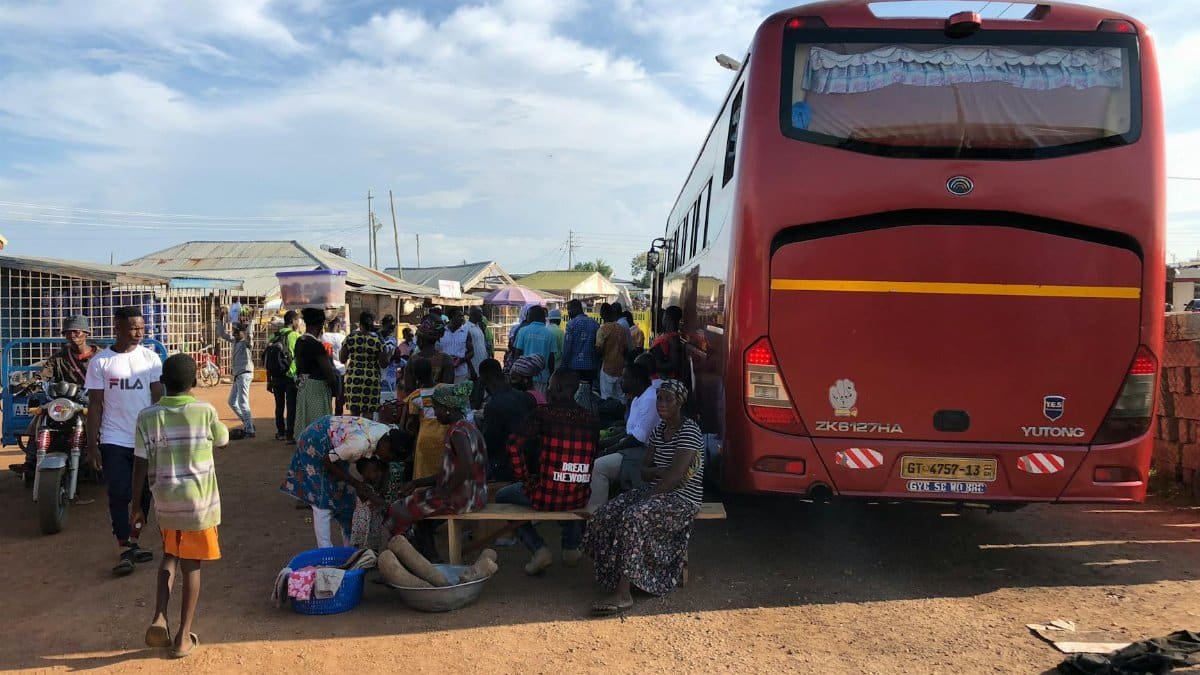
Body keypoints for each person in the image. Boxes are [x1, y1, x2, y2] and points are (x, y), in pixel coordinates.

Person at [130, 354, 229, 658]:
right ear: (195, 382)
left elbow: (139, 462)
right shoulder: (204, 410)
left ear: (162, 382)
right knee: (192, 567)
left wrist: (137, 506)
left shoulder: (147, 416)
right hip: (198, 504)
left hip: (165, 501)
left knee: (170, 556)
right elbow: (222, 440)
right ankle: (183, 637)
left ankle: (160, 615)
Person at [584, 379, 704, 615]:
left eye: (668, 399)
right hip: (659, 491)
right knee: (606, 513)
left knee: (633, 516)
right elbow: (645, 470)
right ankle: (615, 578)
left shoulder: (689, 431)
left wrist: (651, 492)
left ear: (679, 402)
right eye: (659, 398)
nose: (661, 403)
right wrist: (661, 473)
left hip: (682, 499)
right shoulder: (660, 430)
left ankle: (624, 593)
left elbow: (676, 478)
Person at [85, 306, 164, 576]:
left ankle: (134, 540)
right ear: (116, 327)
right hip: (113, 438)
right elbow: (95, 405)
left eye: (142, 327)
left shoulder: (151, 359)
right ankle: (123, 546)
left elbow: (159, 397)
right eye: (133, 327)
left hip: (145, 439)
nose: (139, 332)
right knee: (119, 492)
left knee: (142, 495)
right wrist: (92, 445)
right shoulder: (100, 362)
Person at [499, 369, 599, 574]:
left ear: (559, 388)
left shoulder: (543, 413)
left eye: (550, 387)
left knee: (503, 496)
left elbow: (512, 445)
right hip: (579, 496)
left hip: (546, 496)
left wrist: (524, 478)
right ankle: (571, 547)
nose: (547, 391)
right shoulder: (591, 419)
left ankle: (538, 549)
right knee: (569, 485)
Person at [280, 416, 403, 548]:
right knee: (322, 501)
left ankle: (350, 549)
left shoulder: (386, 433)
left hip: (336, 445)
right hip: (315, 442)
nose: (387, 459)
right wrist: (356, 484)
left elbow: (361, 464)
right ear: (386, 445)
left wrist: (369, 491)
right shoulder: (358, 445)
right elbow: (327, 461)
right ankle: (325, 552)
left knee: (345, 498)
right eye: (388, 457)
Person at [385, 382, 487, 536]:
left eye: (436, 408)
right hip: (475, 495)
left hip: (462, 499)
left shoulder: (457, 432)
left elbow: (466, 466)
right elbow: (453, 472)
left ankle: (409, 551)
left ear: (448, 409)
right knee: (418, 510)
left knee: (397, 510)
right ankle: (427, 553)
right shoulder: (469, 428)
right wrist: (417, 482)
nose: (435, 413)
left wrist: (444, 492)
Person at [11, 315, 97, 474]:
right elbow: (45, 374)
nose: (72, 336)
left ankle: (102, 459)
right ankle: (30, 462)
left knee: (105, 426)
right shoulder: (58, 358)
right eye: (68, 333)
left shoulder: (100, 357)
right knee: (40, 416)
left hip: (92, 401)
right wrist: (31, 383)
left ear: (86, 333)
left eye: (77, 332)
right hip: (66, 402)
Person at [588, 363, 661, 511]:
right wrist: (601, 444)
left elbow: (637, 439)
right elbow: (628, 433)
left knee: (598, 467)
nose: (621, 382)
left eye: (625, 378)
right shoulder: (637, 399)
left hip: (645, 453)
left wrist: (608, 450)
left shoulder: (650, 399)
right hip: (632, 448)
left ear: (636, 380)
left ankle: (596, 516)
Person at [477, 359, 536, 480]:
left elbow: (489, 444)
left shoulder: (494, 405)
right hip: (529, 462)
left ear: (484, 379)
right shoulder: (527, 397)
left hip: (506, 467)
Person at [294, 307, 339, 437]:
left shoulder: (300, 341)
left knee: (306, 420)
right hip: (317, 388)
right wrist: (334, 385)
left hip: (304, 387)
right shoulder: (316, 345)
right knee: (319, 423)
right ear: (320, 325)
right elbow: (328, 371)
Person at [402, 358, 447, 481]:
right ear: (432, 371)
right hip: (445, 435)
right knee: (443, 469)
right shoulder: (444, 389)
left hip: (425, 437)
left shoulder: (415, 396)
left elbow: (414, 422)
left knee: (424, 473)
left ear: (416, 376)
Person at [340, 312, 387, 418]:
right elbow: (384, 364)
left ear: (359, 324)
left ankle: (354, 434)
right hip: (372, 379)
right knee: (368, 414)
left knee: (354, 415)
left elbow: (342, 359)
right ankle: (367, 434)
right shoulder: (377, 341)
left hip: (354, 379)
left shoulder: (350, 338)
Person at [216, 311, 255, 438]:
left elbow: (249, 334)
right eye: (234, 331)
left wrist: (252, 320)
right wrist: (220, 318)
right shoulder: (235, 341)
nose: (234, 333)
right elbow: (222, 334)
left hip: (244, 374)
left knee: (243, 402)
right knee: (232, 402)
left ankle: (250, 429)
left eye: (236, 331)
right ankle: (247, 422)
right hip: (238, 375)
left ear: (242, 332)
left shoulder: (247, 343)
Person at [269, 311, 302, 442]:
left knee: (279, 405)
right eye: (297, 320)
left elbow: (268, 359)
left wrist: (269, 379)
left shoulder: (273, 336)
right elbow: (298, 357)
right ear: (293, 320)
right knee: (291, 405)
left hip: (276, 376)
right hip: (290, 375)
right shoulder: (294, 336)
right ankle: (290, 435)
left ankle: (280, 432)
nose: (298, 323)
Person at [512, 306, 558, 394]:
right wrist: (551, 376)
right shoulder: (550, 334)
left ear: (533, 316)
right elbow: (551, 359)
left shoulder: (523, 331)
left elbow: (517, 353)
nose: (526, 317)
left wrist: (516, 373)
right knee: (540, 404)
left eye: (528, 315)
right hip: (543, 377)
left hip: (524, 377)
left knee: (525, 404)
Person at [403, 316, 454, 391]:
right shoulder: (446, 359)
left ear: (420, 339)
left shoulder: (413, 360)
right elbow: (448, 389)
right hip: (439, 401)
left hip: (417, 401)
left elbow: (408, 389)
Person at [350, 457, 389, 552]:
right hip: (363, 525)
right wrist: (387, 503)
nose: (379, 474)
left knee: (373, 545)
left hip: (373, 525)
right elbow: (376, 499)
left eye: (380, 471)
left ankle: (372, 561)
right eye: (375, 471)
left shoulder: (374, 488)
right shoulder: (363, 488)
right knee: (360, 548)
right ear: (365, 473)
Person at [562, 298, 600, 385]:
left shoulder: (571, 324)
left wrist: (563, 365)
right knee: (588, 393)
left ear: (577, 308)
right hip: (591, 367)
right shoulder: (595, 324)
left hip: (575, 367)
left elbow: (567, 348)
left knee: (575, 393)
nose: (568, 312)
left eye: (569, 309)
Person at [596, 304, 629, 401]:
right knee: (620, 395)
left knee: (606, 396)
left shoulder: (602, 330)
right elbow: (625, 349)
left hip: (607, 367)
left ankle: (608, 415)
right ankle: (622, 415)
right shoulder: (621, 329)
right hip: (620, 367)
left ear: (601, 315)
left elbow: (599, 350)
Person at [437, 308, 474, 383]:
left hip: (461, 373)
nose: (462, 318)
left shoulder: (466, 333)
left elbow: (471, 352)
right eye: (459, 316)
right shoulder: (441, 331)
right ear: (451, 317)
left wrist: (460, 360)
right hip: (443, 373)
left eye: (462, 316)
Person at [504, 303, 538, 371]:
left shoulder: (516, 328)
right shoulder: (542, 329)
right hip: (535, 363)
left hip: (520, 363)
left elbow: (512, 346)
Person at [379, 315, 399, 399]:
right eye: (389, 327)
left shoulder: (393, 340)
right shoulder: (377, 338)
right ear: (383, 325)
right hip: (379, 374)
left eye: (393, 328)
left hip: (390, 374)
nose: (391, 330)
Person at [465, 309, 489, 382]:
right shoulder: (467, 328)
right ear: (473, 315)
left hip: (482, 366)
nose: (482, 316)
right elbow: (466, 351)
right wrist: (471, 369)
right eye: (480, 314)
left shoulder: (478, 326)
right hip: (474, 368)